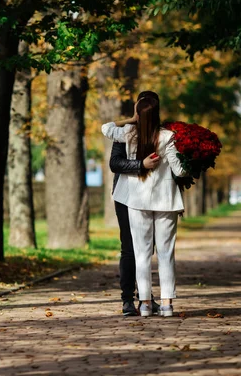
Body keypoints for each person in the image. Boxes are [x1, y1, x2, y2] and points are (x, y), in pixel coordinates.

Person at [102, 95, 186, 317]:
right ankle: (166, 304)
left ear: (138, 113)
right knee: (165, 253)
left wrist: (130, 120)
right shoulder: (169, 137)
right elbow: (180, 171)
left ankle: (146, 304)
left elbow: (106, 127)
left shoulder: (128, 133)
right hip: (164, 200)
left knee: (141, 253)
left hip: (137, 200)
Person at [109, 91, 161, 317]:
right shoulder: (126, 132)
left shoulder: (163, 133)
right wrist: (141, 164)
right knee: (130, 248)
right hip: (126, 196)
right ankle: (127, 300)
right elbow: (115, 163)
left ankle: (147, 298)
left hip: (154, 196)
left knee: (147, 248)